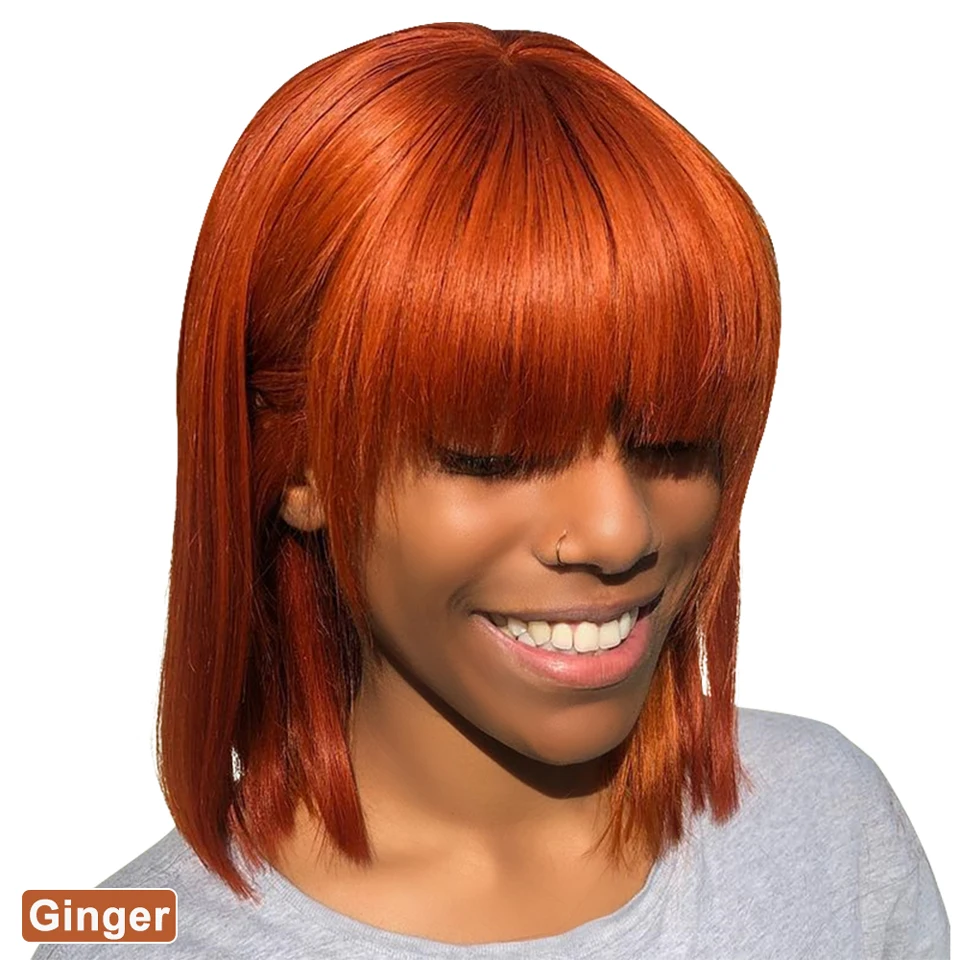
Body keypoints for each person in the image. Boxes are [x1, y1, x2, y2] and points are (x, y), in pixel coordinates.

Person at [32, 21, 948, 959]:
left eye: (673, 438)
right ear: (295, 466)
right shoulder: (129, 938)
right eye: (497, 454)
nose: (617, 529)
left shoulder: (829, 827)